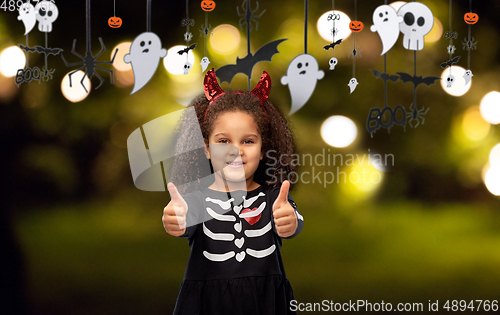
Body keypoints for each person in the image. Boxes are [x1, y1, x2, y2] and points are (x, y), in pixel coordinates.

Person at [163, 69, 304, 315]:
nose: (235, 150)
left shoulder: (273, 198)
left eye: (248, 141)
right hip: (207, 304)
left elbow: (293, 220)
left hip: (265, 302)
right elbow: (184, 221)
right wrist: (175, 219)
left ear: (263, 150)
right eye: (223, 141)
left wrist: (290, 221)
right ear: (206, 148)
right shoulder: (197, 201)